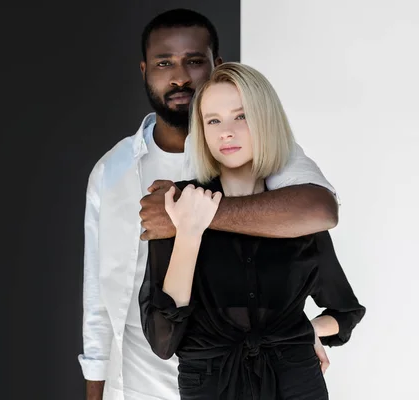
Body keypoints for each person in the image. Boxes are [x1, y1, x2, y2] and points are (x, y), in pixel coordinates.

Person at [79, 9, 340, 400]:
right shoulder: (112, 170)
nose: (179, 76)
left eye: (194, 61)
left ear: (217, 65)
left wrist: (190, 215)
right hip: (134, 384)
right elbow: (98, 296)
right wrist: (95, 390)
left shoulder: (261, 154)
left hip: (229, 381)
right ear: (145, 69)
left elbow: (319, 210)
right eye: (164, 63)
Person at [139, 62, 366, 400]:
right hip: (212, 388)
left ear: (265, 121)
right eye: (213, 120)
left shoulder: (297, 212)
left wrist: (310, 330)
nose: (225, 132)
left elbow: (345, 311)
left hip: (297, 384)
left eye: (241, 116)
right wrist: (189, 233)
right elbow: (163, 339)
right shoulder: (175, 203)